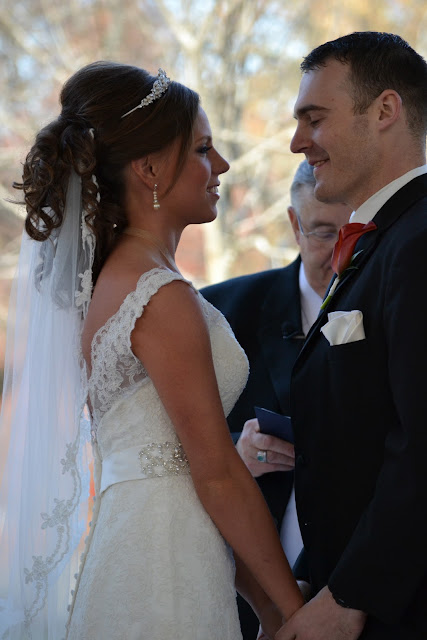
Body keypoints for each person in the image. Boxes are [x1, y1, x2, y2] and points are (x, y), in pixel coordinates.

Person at [0, 62, 304, 640]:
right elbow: (216, 475)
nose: (222, 165)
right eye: (203, 149)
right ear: (149, 169)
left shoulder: (115, 284)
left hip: (140, 551)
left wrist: (264, 604)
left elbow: (191, 476)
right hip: (164, 568)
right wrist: (293, 609)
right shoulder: (159, 296)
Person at [276, 31, 427, 640]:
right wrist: (315, 581)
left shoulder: (418, 241)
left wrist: (348, 597)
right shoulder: (385, 238)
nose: (297, 141)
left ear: (385, 110)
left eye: (315, 119)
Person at [202, 160, 351, 638]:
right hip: (244, 589)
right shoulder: (218, 312)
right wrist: (236, 452)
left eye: (355, 232)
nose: (342, 253)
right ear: (293, 224)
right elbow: (159, 442)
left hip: (363, 585)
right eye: (324, 233)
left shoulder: (401, 303)